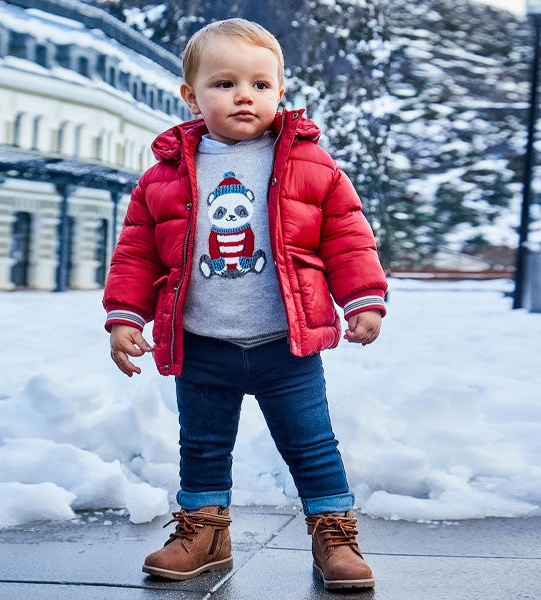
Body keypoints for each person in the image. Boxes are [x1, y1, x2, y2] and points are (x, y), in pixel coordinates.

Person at [103, 18, 387, 591]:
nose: (243, 96)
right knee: (202, 444)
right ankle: (205, 532)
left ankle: (333, 532)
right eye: (224, 83)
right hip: (202, 339)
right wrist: (124, 316)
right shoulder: (166, 174)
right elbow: (136, 251)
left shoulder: (310, 164)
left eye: (260, 84)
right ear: (191, 95)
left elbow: (346, 236)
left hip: (286, 342)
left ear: (280, 92)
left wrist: (361, 298)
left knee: (311, 442)